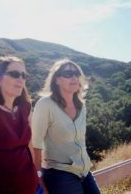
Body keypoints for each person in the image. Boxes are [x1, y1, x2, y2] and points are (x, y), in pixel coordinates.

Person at [31, 59, 101, 194]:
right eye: (68, 73)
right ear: (57, 80)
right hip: (60, 175)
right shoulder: (45, 104)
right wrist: (39, 179)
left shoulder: (81, 106)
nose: (74, 77)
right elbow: (35, 145)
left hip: (85, 172)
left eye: (76, 74)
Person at [0, 56, 39, 194]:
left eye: (23, 75)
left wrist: (36, 176)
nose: (21, 79)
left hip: (28, 182)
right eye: (15, 74)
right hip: (0, 186)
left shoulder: (26, 107)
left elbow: (30, 147)